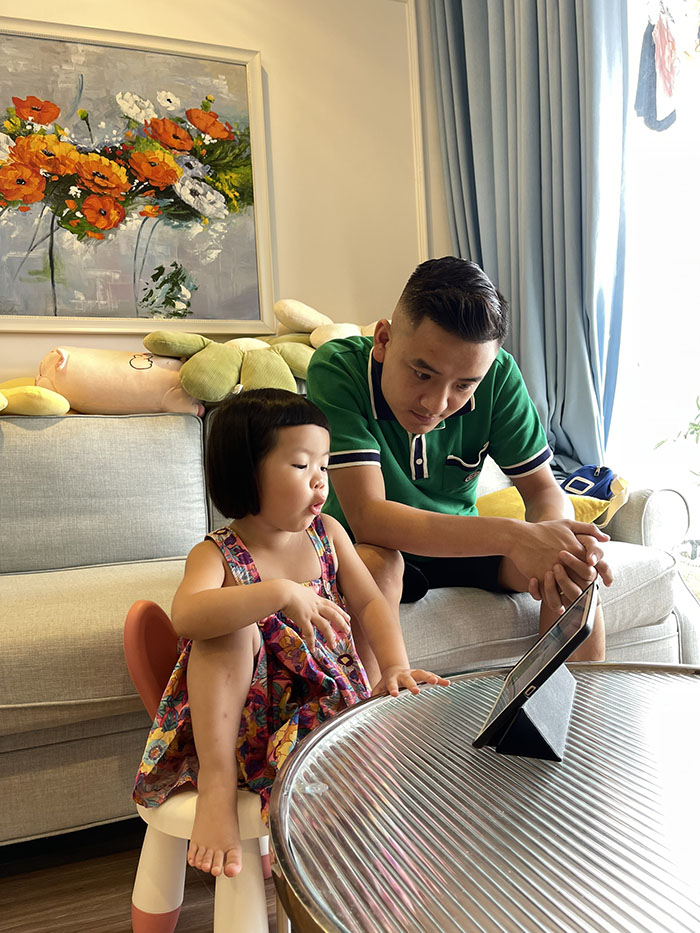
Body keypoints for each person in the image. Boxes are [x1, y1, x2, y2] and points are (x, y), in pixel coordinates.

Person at [133, 388, 448, 879]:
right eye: (302, 466)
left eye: (324, 465)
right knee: (227, 628)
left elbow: (371, 603)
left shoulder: (328, 535)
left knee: (391, 781)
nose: (320, 480)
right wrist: (277, 593)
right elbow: (187, 616)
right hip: (239, 728)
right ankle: (218, 788)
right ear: (245, 472)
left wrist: (394, 667)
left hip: (322, 710)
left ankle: (342, 869)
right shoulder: (216, 554)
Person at [306, 256, 613, 686]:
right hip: (370, 545)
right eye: (422, 373)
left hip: (461, 543)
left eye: (464, 385)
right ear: (384, 340)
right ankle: (366, 718)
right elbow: (369, 516)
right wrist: (515, 536)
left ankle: (576, 720)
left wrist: (555, 541)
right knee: (377, 564)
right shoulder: (338, 368)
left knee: (572, 570)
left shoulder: (499, 376)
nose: (436, 403)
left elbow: (544, 491)